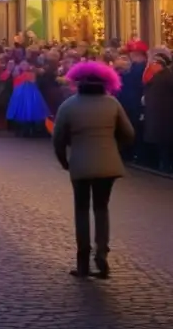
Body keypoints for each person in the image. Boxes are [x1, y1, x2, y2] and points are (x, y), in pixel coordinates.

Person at [52, 60, 135, 279]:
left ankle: (83, 261)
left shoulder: (68, 105)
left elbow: (58, 139)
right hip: (108, 163)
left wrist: (64, 160)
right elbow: (129, 134)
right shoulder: (112, 104)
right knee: (101, 207)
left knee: (81, 209)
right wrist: (114, 146)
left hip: (79, 163)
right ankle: (102, 253)